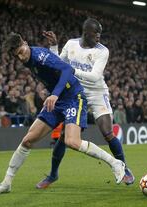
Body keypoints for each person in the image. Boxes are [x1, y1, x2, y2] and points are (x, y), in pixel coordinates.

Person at [0, 32, 125, 195]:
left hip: (73, 97)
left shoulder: (39, 55)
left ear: (25, 42)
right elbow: (56, 63)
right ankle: (6, 183)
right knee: (28, 140)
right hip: (57, 101)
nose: (21, 57)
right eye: (16, 56)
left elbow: (67, 69)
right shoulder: (29, 59)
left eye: (21, 52)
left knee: (72, 141)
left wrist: (54, 94)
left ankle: (115, 163)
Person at [37, 18, 134, 189]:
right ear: (86, 32)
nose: (99, 37)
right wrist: (53, 47)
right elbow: (57, 64)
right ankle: (53, 175)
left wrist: (72, 70)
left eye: (100, 34)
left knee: (107, 132)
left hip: (97, 93)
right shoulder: (71, 44)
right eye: (96, 34)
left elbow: (95, 76)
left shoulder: (102, 51)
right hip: (75, 93)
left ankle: (124, 169)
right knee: (65, 137)